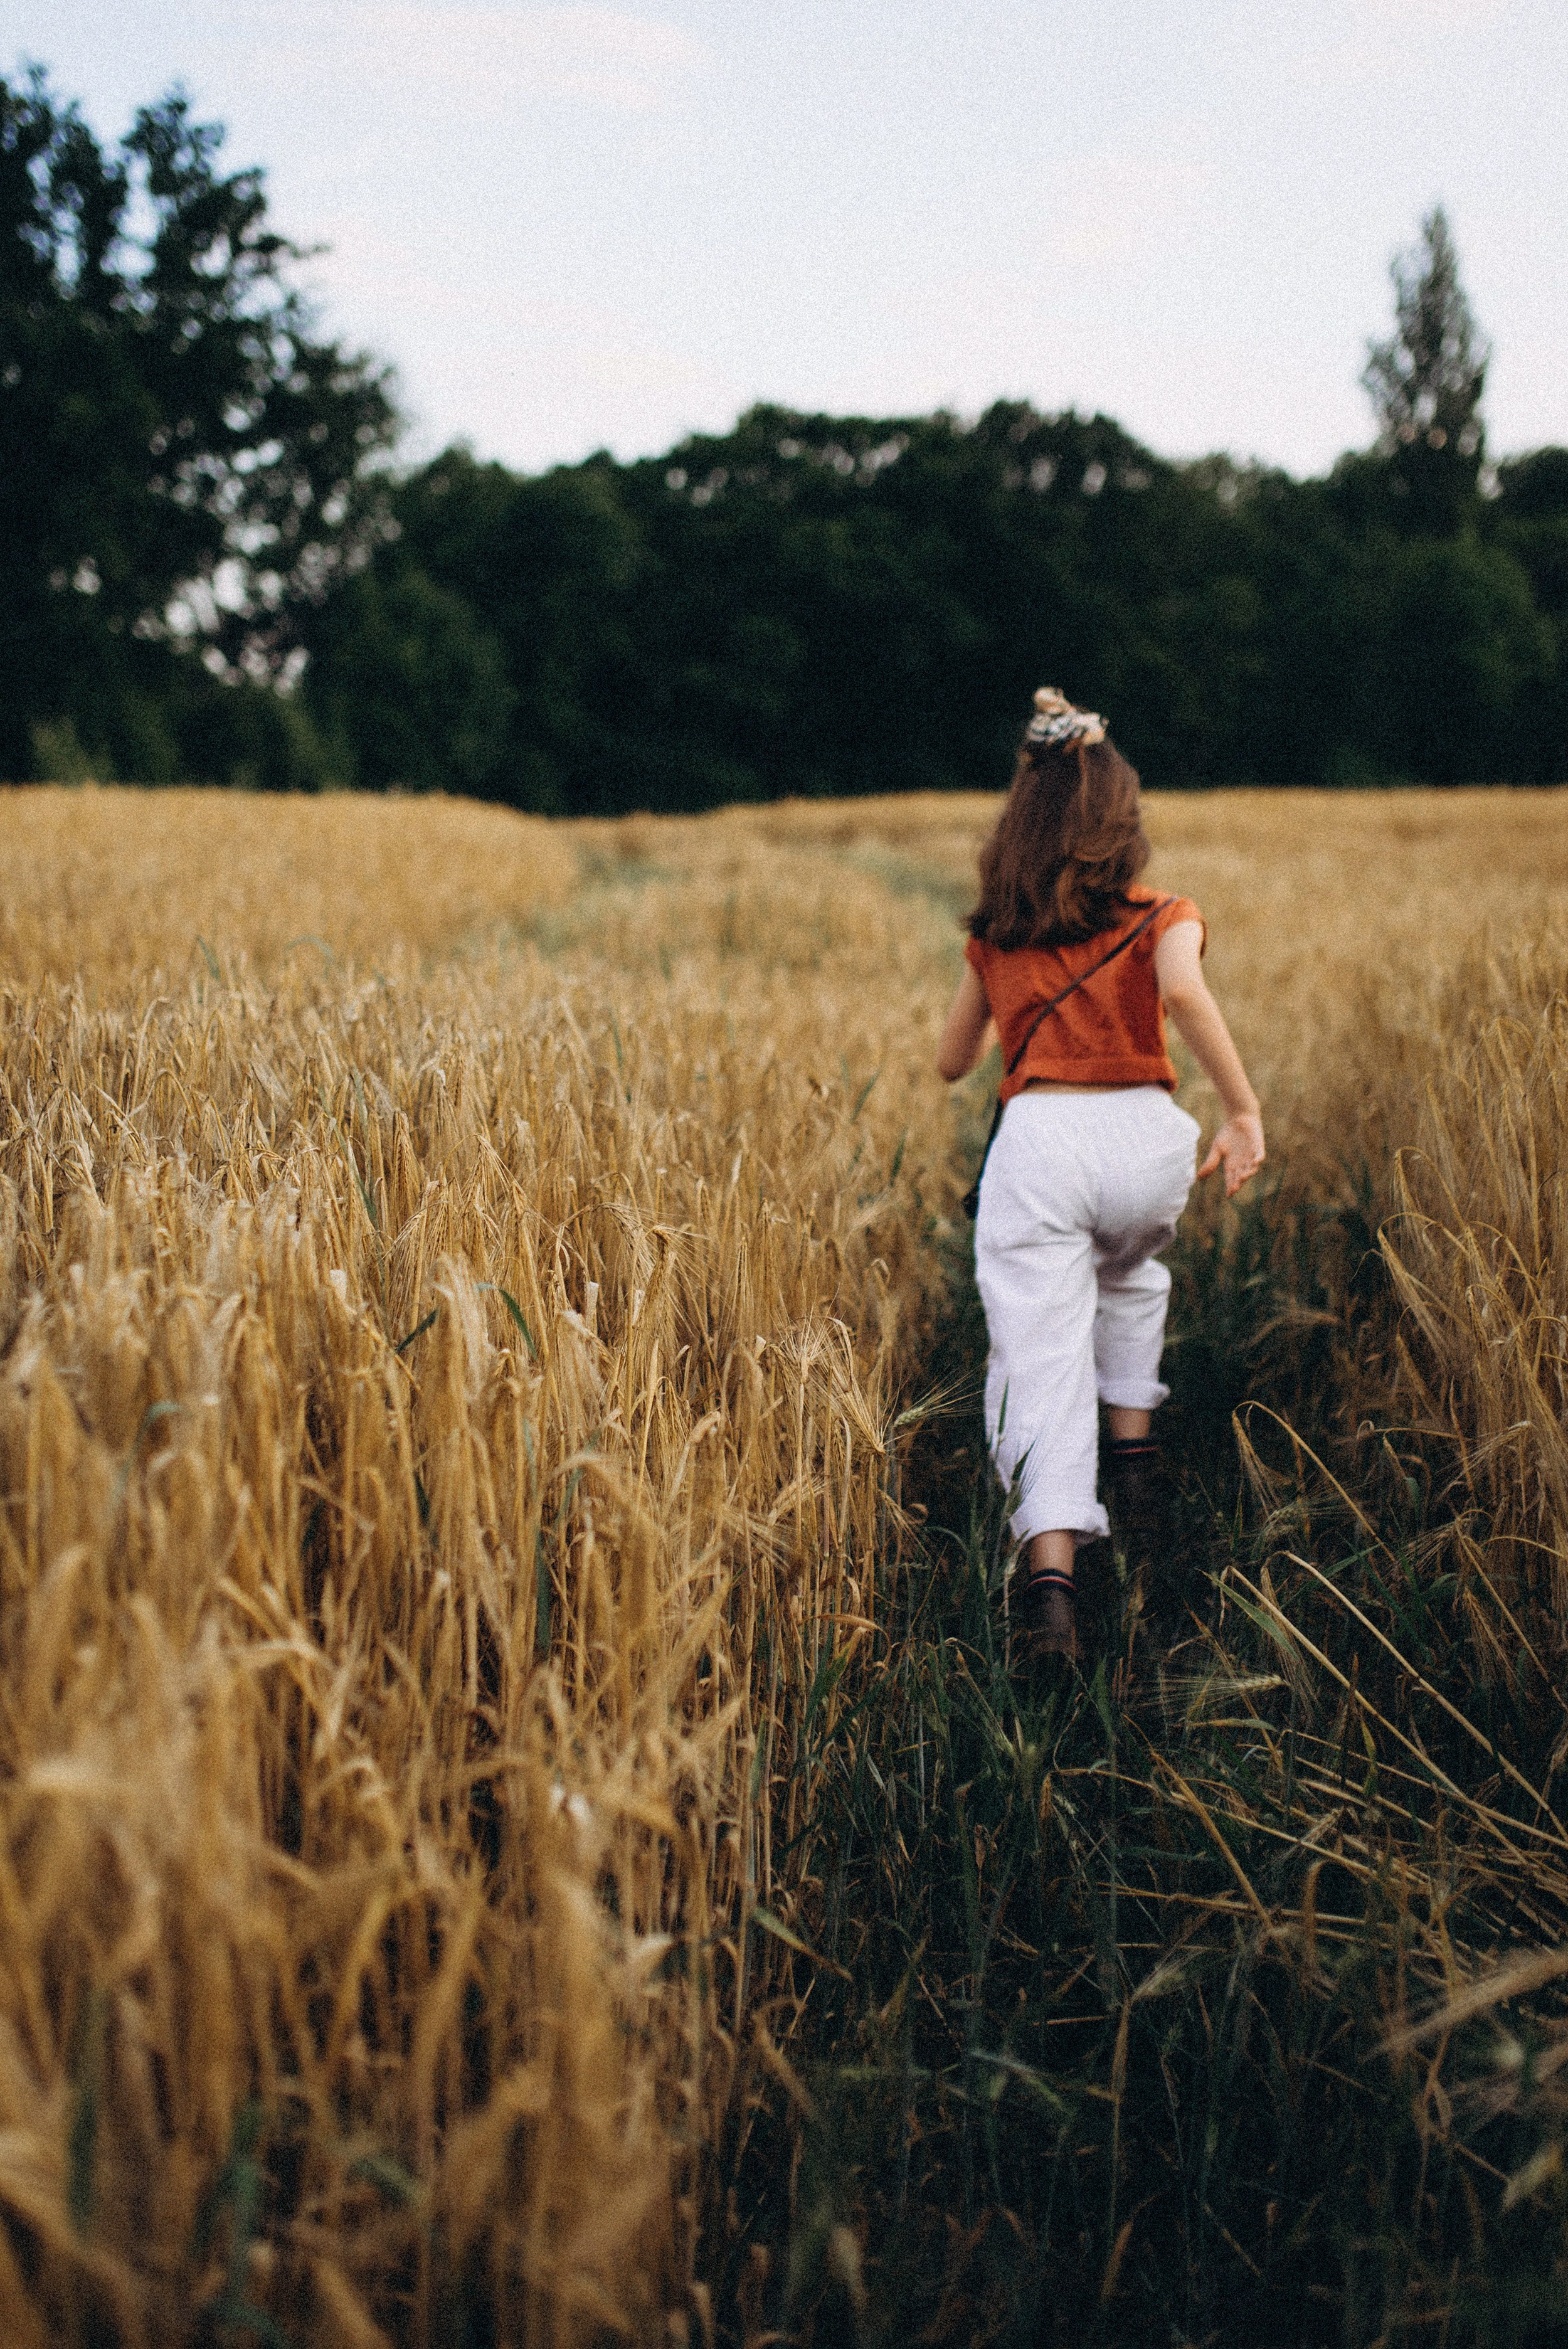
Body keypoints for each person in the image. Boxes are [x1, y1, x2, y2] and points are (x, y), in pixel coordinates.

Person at [936, 688, 1264, 1663]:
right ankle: (1137, 1458)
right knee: (1129, 1274)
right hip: (1146, 1143)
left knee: (1039, 1350)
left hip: (1042, 1147)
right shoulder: (1165, 915)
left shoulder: (996, 934)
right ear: (1121, 821)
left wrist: (1002, 988)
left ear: (1020, 826)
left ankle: (1050, 1584)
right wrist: (1242, 1109)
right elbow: (1185, 994)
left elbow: (954, 1061)